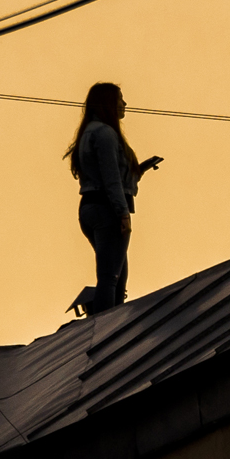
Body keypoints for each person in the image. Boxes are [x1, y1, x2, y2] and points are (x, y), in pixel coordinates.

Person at [64, 82, 158, 315]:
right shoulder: (105, 133)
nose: (124, 104)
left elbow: (103, 174)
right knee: (110, 277)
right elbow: (111, 179)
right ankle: (108, 326)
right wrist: (122, 213)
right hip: (108, 210)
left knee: (116, 273)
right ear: (108, 102)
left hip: (90, 207)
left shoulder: (88, 132)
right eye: (120, 99)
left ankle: (110, 321)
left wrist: (138, 171)